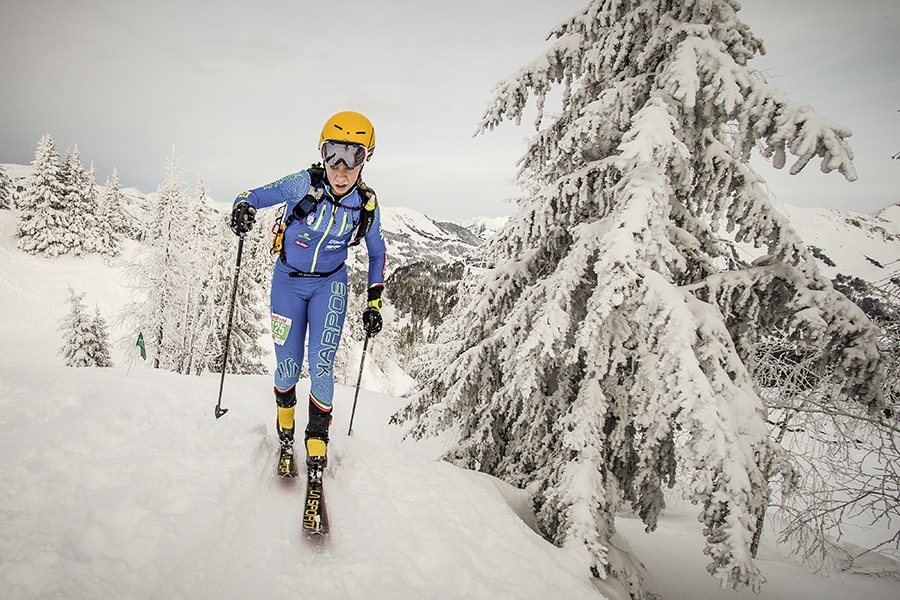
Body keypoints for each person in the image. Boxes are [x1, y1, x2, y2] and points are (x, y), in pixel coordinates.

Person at [229, 111, 386, 477]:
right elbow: (255, 194)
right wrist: (243, 207)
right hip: (287, 283)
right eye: (333, 153)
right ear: (322, 151)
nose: (341, 168)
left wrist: (374, 302)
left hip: (329, 285)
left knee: (322, 365)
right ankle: (286, 434)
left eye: (353, 156)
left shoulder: (366, 204)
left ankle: (316, 442)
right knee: (286, 366)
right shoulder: (303, 184)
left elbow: (377, 253)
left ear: (366, 159)